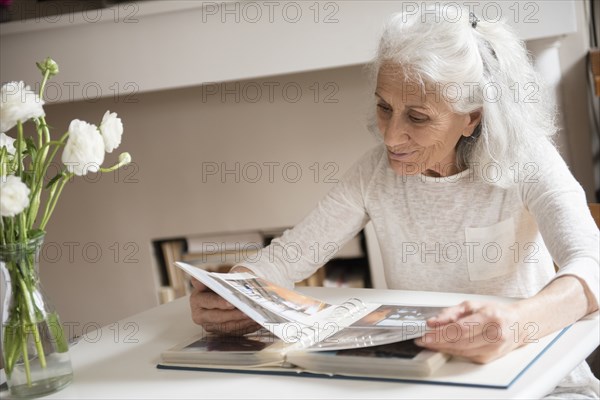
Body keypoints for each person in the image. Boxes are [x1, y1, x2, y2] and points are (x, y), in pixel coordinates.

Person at [189, 4, 599, 398]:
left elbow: (593, 265)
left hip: (544, 383)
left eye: (417, 117)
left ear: (472, 115)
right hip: (427, 383)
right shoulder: (374, 174)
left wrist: (515, 323)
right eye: (385, 108)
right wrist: (237, 293)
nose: (390, 136)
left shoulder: (527, 161)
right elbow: (285, 259)